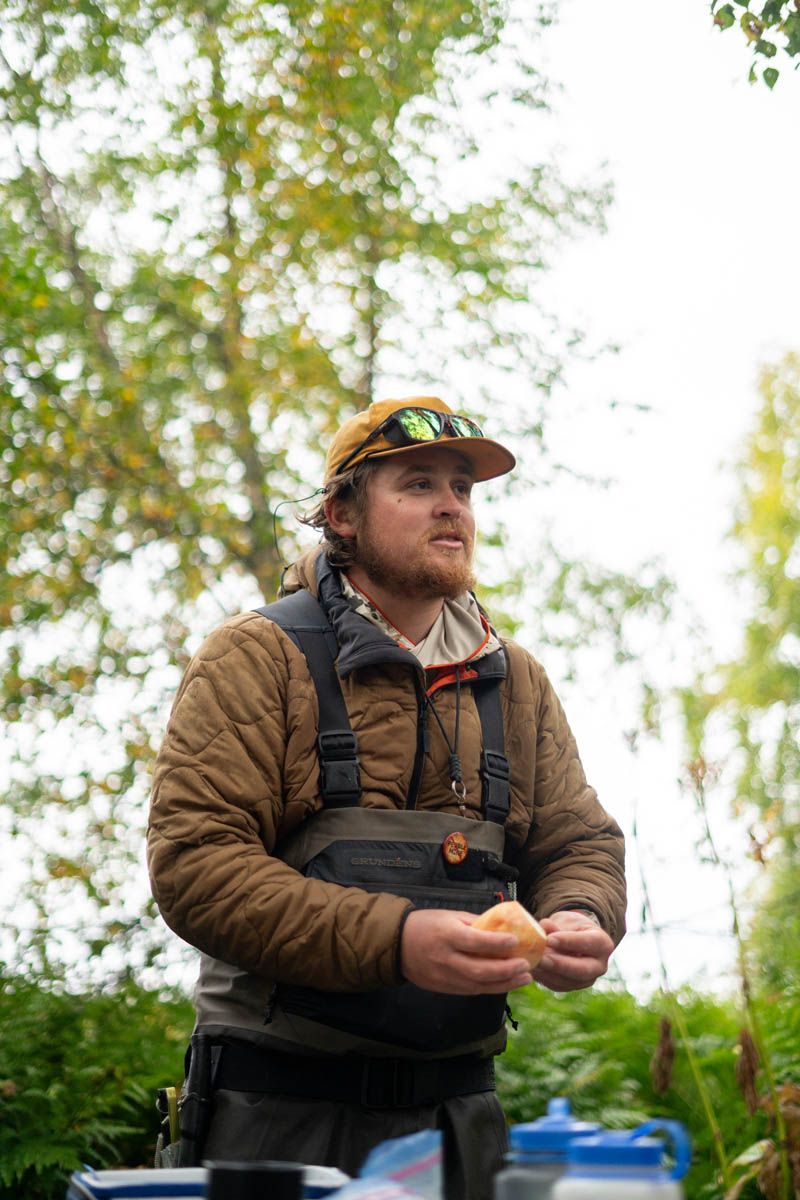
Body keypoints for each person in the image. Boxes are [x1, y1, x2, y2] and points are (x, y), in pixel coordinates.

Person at [147, 395, 626, 1200]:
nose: (451, 506)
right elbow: (197, 869)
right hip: (279, 1117)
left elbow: (580, 843)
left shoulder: (518, 680)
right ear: (341, 513)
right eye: (417, 484)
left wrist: (582, 913)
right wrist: (398, 938)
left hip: (461, 1123)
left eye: (463, 489)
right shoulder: (256, 657)